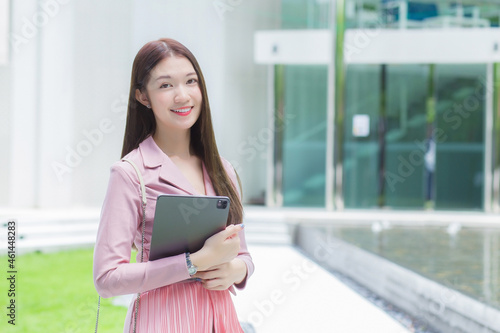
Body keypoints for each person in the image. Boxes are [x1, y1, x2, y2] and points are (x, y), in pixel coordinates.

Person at [93, 38, 254, 333]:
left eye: (190, 81)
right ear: (143, 96)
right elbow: (106, 278)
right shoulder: (130, 174)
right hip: (163, 322)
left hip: (221, 321)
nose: (183, 96)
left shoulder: (222, 169)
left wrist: (234, 270)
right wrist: (193, 262)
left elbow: (243, 255)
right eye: (166, 86)